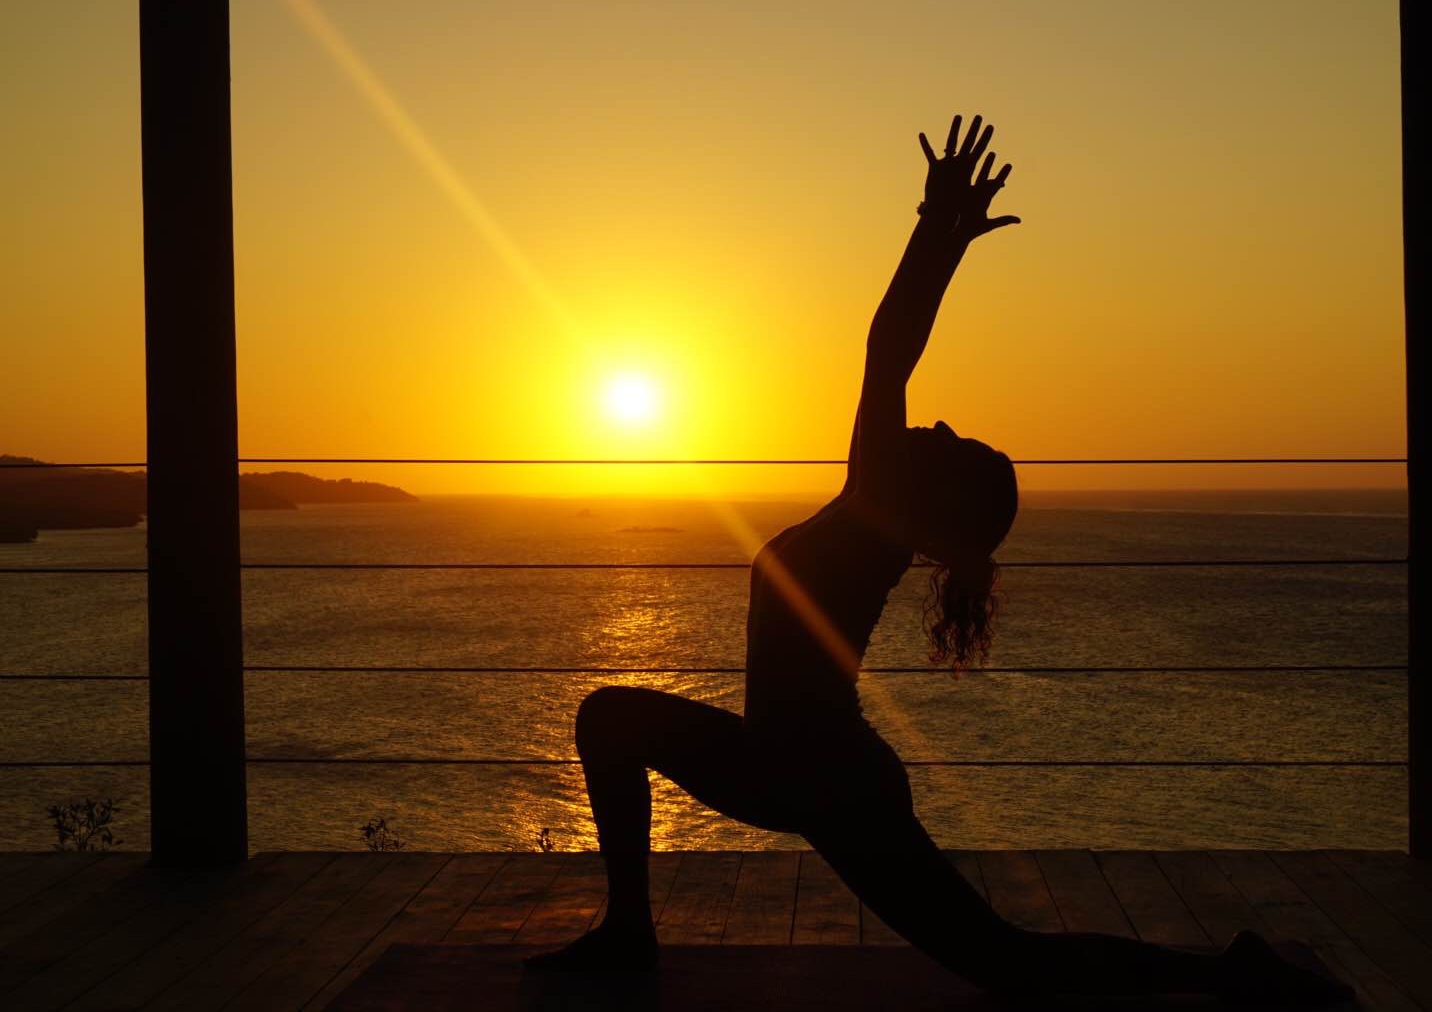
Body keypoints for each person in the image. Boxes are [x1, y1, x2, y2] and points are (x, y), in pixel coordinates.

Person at [526, 115, 1351, 1004]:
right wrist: (944, 237)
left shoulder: (874, 512)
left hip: (822, 777)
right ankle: (629, 935)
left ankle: (1249, 984)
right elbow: (889, 360)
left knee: (1009, 963)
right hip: (809, 765)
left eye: (961, 448)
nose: (947, 426)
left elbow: (888, 352)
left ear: (933, 496)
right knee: (609, 717)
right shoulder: (868, 517)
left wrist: (937, 230)